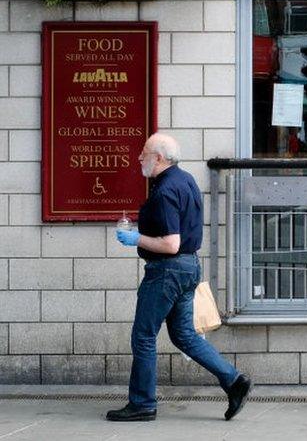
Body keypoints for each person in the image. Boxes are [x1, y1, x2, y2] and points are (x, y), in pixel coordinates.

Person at [106, 133, 252, 422]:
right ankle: (234, 381)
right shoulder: (185, 180)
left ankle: (142, 404)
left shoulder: (164, 191)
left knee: (143, 336)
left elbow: (171, 243)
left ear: (159, 158)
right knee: (184, 335)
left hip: (166, 271)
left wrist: (136, 238)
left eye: (144, 153)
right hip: (188, 267)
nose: (139, 158)